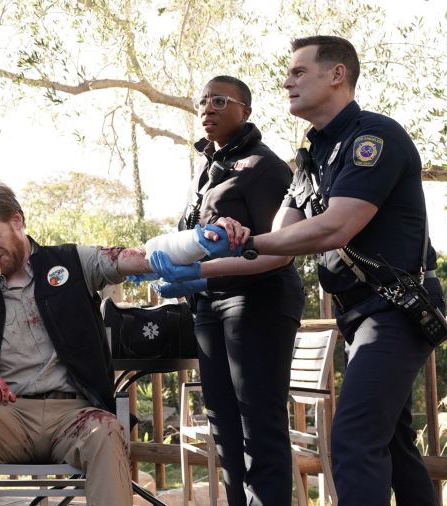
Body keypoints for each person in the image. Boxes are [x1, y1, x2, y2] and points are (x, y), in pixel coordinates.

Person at [173, 36, 447, 505]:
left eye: (298, 72)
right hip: (357, 313)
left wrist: (248, 241)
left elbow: (336, 226)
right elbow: (279, 245)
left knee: (354, 439)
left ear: (337, 74)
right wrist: (202, 266)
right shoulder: (311, 158)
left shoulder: (373, 137)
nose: (287, 82)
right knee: (394, 445)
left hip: (394, 309)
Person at [0, 181, 155, 506]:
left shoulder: (72, 263)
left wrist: (194, 246)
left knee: (107, 431)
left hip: (76, 414)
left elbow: (132, 260)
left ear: (17, 220)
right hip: (7, 416)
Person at [145, 76, 304, 506]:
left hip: (257, 301)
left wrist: (201, 272)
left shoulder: (265, 167)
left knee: (258, 424)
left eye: (219, 100)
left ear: (245, 111)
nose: (207, 109)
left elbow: (281, 250)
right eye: (202, 101)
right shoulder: (207, 169)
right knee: (223, 427)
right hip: (209, 304)